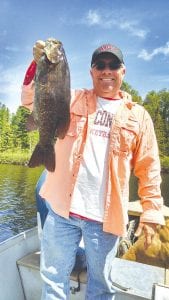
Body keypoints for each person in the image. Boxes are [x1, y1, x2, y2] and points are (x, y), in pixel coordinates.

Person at [21, 41, 165, 300]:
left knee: (101, 288)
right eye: (100, 65)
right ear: (91, 71)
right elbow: (31, 99)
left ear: (123, 71)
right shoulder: (72, 97)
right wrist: (36, 64)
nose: (106, 70)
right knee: (52, 282)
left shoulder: (139, 116)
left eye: (113, 65)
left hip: (104, 222)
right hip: (61, 214)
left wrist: (152, 214)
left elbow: (149, 168)